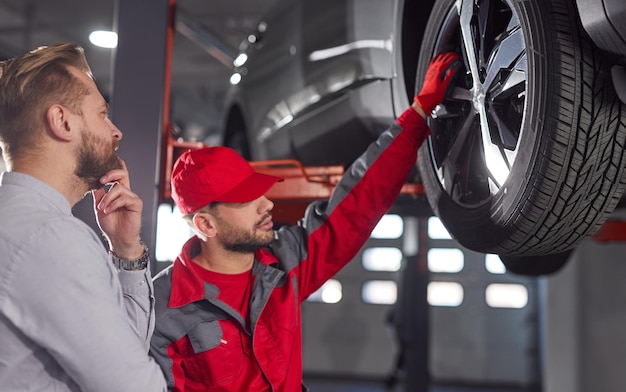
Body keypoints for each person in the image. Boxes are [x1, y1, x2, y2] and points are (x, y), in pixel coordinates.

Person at [150, 51, 461, 391]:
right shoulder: (160, 309)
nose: (267, 204)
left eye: (260, 191)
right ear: (205, 225)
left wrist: (417, 115)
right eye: (246, 200)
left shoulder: (286, 263)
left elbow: (357, 203)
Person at [0, 43, 167, 391]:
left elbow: (122, 353)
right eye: (102, 114)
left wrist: (125, 249)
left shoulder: (23, 223)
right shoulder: (50, 237)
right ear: (62, 121)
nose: (115, 132)